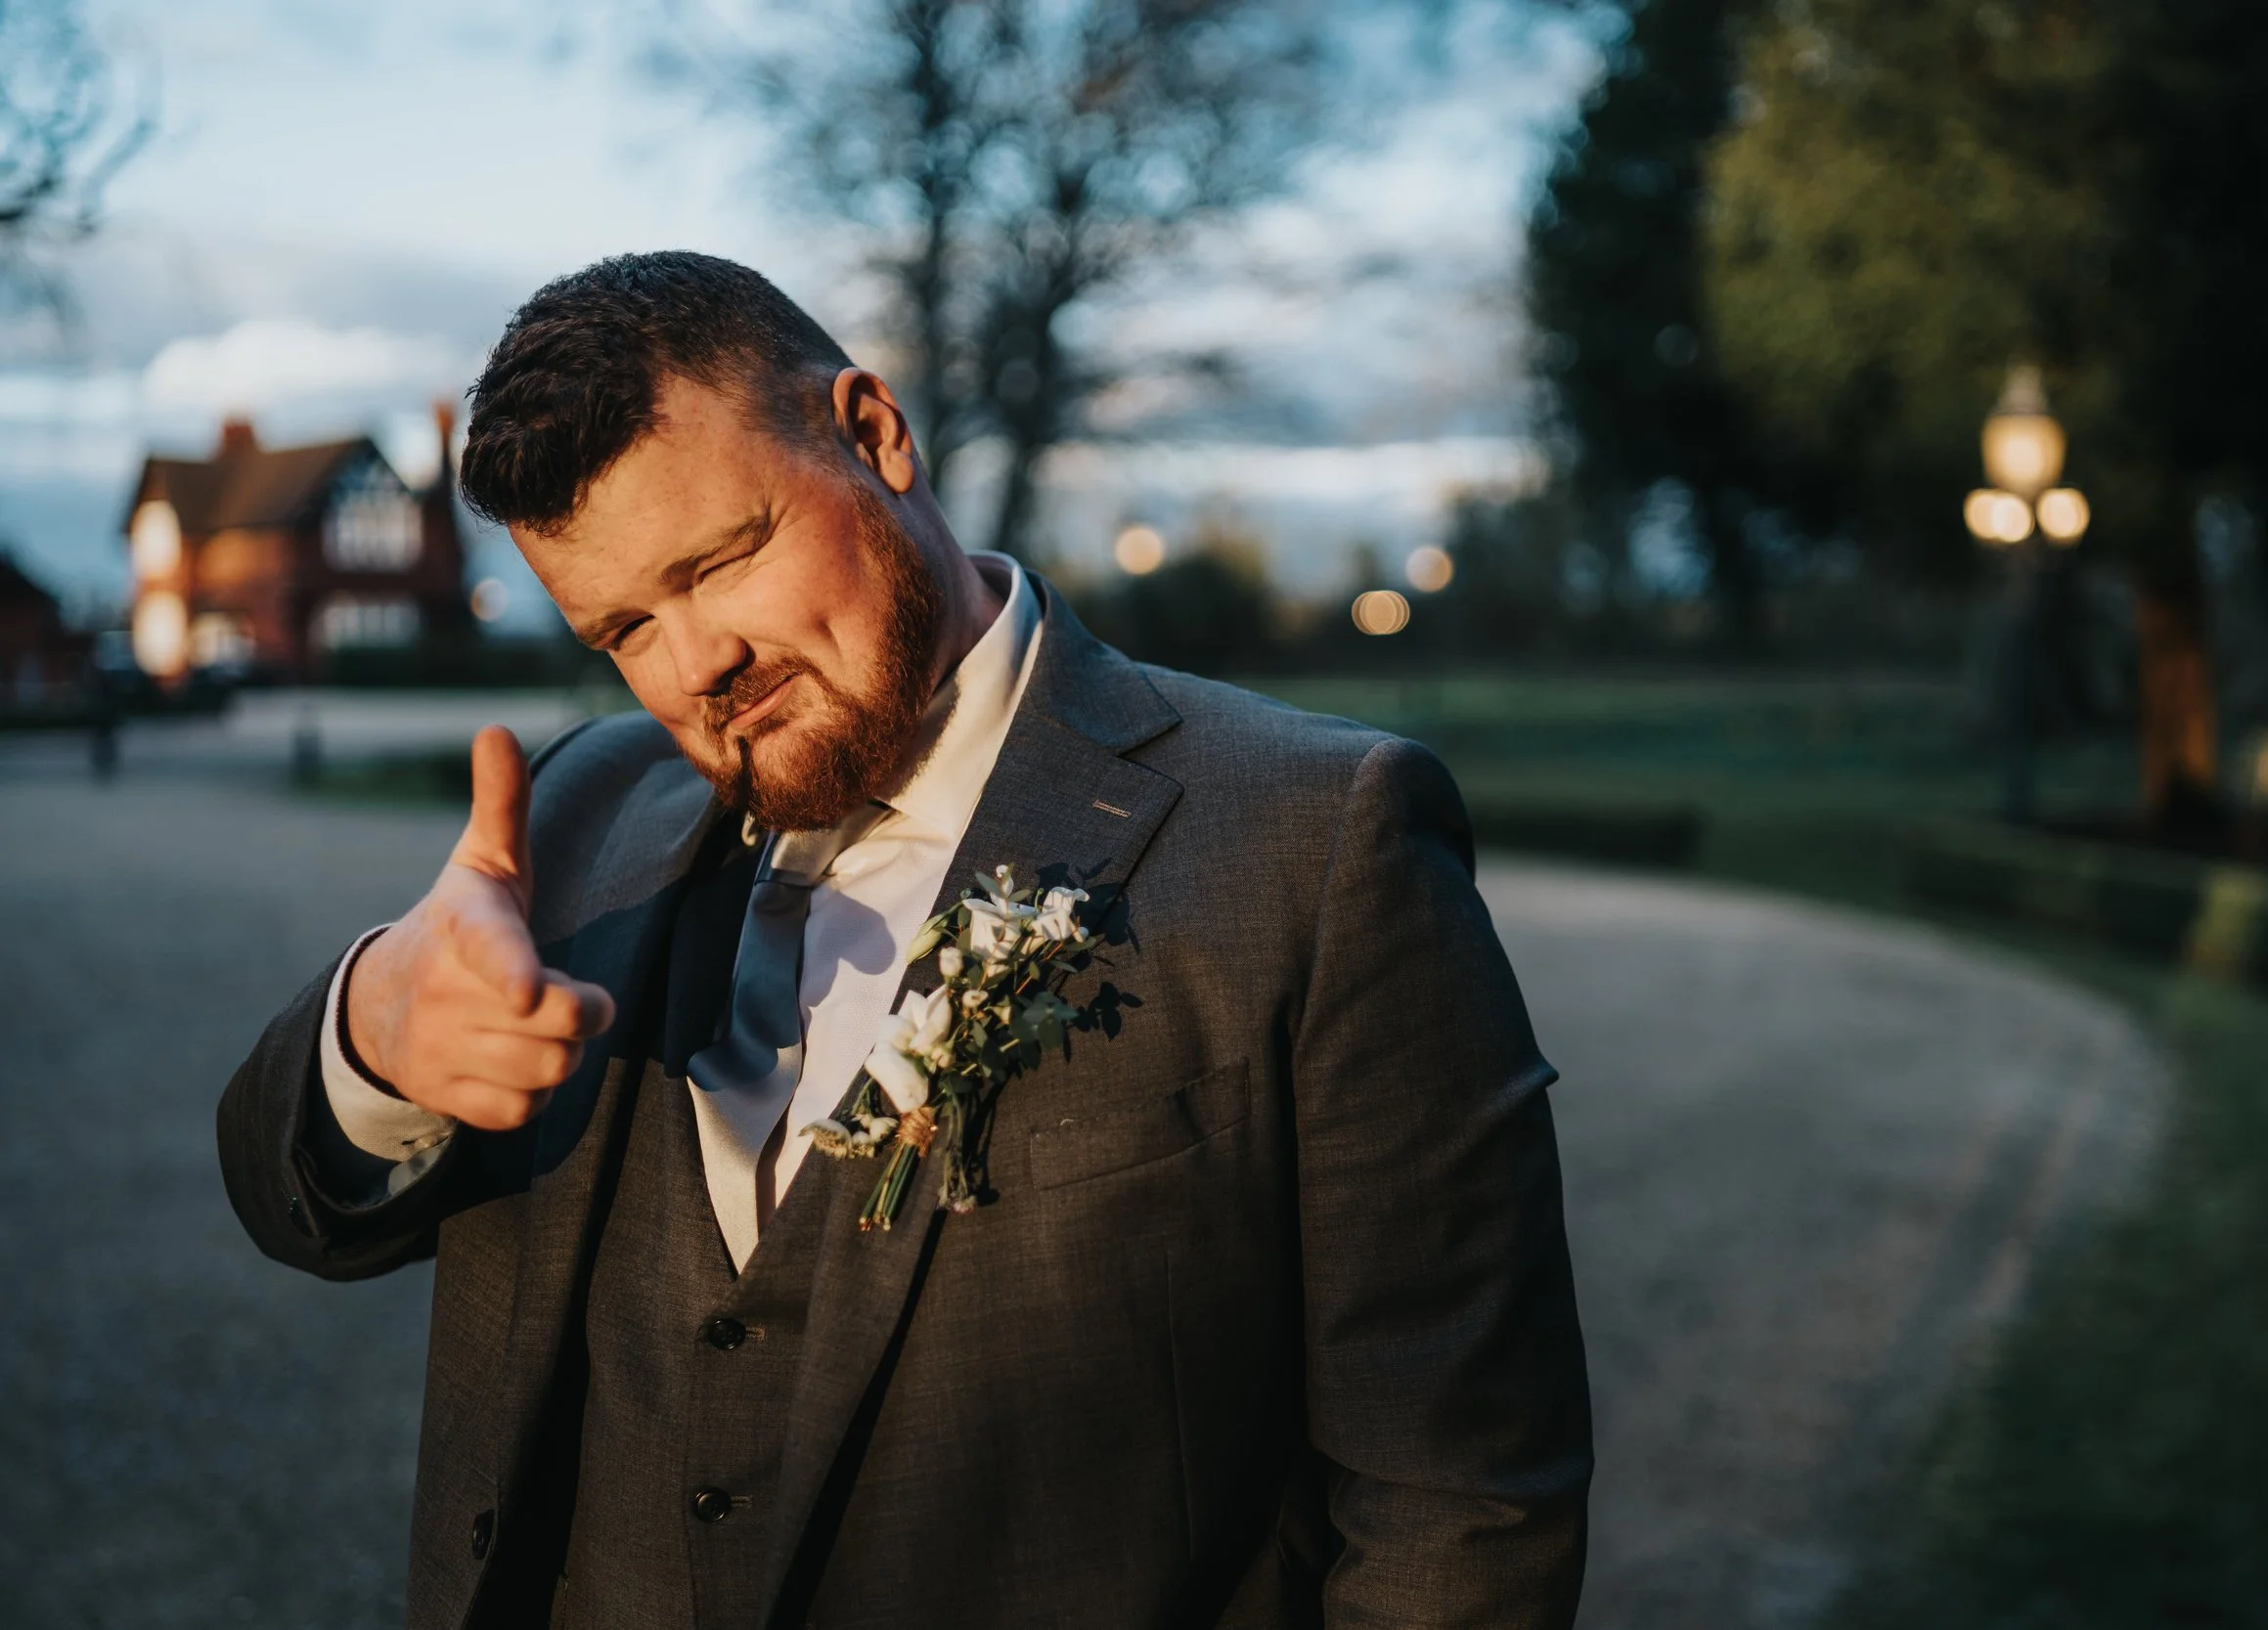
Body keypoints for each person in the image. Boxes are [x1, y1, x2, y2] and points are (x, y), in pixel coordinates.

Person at [218, 251, 1590, 1629]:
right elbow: (291, 1204)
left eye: (720, 558)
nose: (695, 664)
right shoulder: (570, 817)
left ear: (874, 434)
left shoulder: (1316, 839)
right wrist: (371, 1035)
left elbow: (1460, 1505)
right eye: (626, 624)